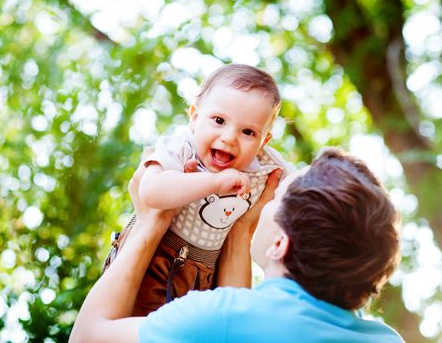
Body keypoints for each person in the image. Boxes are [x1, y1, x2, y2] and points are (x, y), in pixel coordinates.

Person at [70, 147, 404, 343]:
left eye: (277, 197)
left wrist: (151, 222)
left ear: (280, 244)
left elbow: (88, 336)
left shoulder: (216, 317)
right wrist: (239, 229)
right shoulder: (387, 340)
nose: (267, 201)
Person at [103, 63, 291, 316]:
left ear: (263, 141)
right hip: (154, 262)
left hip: (205, 274)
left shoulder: (265, 167)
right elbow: (150, 191)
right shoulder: (181, 148)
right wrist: (215, 183)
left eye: (248, 132)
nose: (229, 137)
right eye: (219, 120)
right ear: (194, 117)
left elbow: (303, 190)